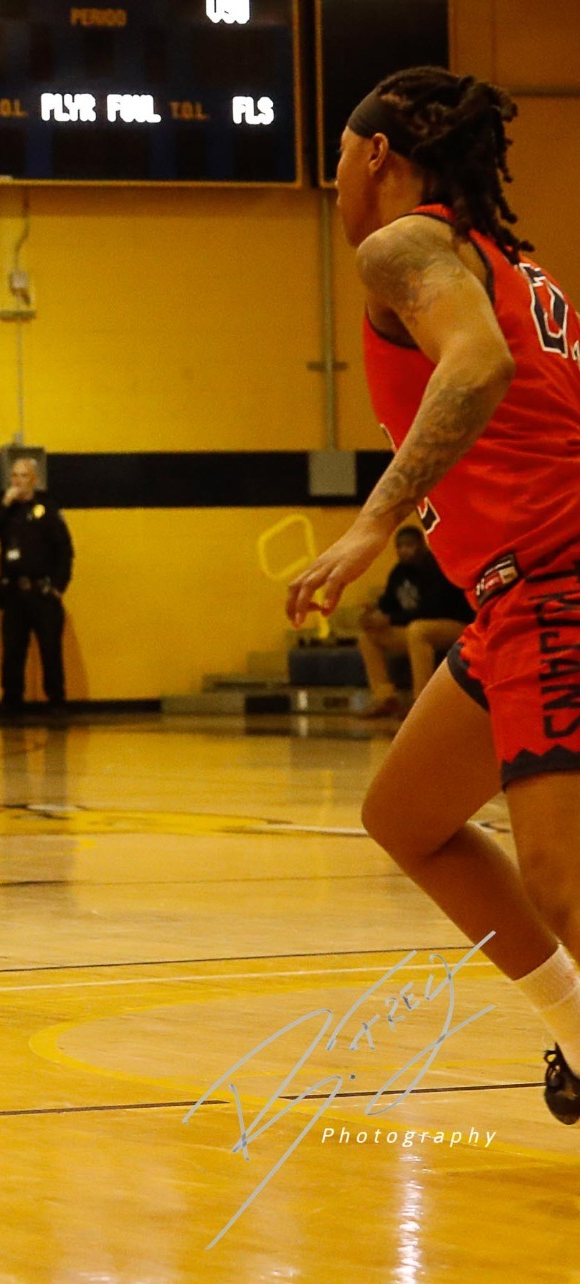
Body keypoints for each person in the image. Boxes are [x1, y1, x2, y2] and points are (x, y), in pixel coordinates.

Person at [286, 68, 580, 1125]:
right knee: (406, 818)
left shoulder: (399, 246)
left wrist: (375, 520)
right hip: (518, 596)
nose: (332, 181)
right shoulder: (503, 261)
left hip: (555, 580)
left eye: (334, 157)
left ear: (373, 154)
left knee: (559, 879)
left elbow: (476, 364)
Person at [0, 456, 73, 713]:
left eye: (24, 476)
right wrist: (4, 503)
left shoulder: (47, 509)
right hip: (15, 593)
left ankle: (56, 701)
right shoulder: (4, 509)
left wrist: (58, 586)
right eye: (15, 476)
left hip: (43, 592)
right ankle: (12, 700)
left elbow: (65, 551)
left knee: (50, 649)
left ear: (34, 480)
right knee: (13, 650)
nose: (19, 481)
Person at [356, 525, 475, 717]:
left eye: (409, 545)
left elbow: (433, 609)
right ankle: (385, 698)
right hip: (418, 631)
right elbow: (389, 604)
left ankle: (420, 702)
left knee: (417, 629)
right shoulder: (398, 572)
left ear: (421, 545)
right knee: (368, 636)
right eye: (400, 546)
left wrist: (390, 618)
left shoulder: (436, 568)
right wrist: (374, 615)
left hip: (457, 627)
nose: (404, 550)